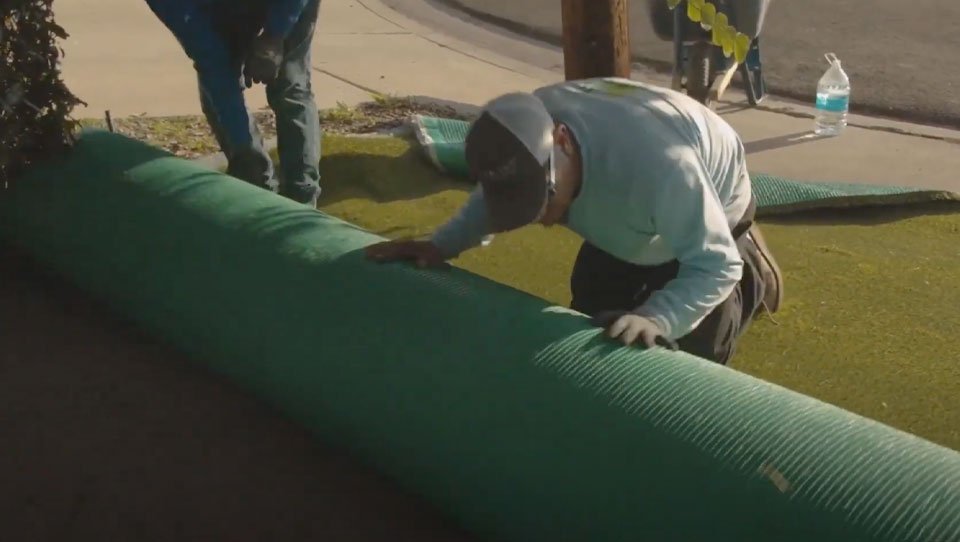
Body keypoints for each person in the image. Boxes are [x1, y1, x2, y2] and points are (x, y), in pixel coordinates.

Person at [365, 77, 783, 365]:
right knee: (595, 312)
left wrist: (659, 318)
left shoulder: (663, 168)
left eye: (542, 198)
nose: (543, 216)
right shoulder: (526, 135)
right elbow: (493, 196)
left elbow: (714, 264)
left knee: (693, 349)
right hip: (625, 210)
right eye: (525, 203)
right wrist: (441, 245)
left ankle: (757, 269)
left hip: (712, 203)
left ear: (563, 139)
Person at [144, 0, 322, 206]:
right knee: (218, 86)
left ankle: (302, 197)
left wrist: (275, 35)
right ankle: (254, 184)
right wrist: (244, 148)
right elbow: (212, 59)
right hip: (212, 11)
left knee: (290, 88)